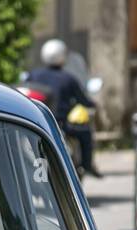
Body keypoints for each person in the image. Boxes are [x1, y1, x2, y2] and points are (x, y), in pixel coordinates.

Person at [26, 38, 100, 178]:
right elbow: (82, 100)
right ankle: (87, 165)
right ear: (62, 56)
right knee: (86, 134)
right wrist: (92, 104)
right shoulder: (68, 78)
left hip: (35, 123)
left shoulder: (34, 75)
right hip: (61, 125)